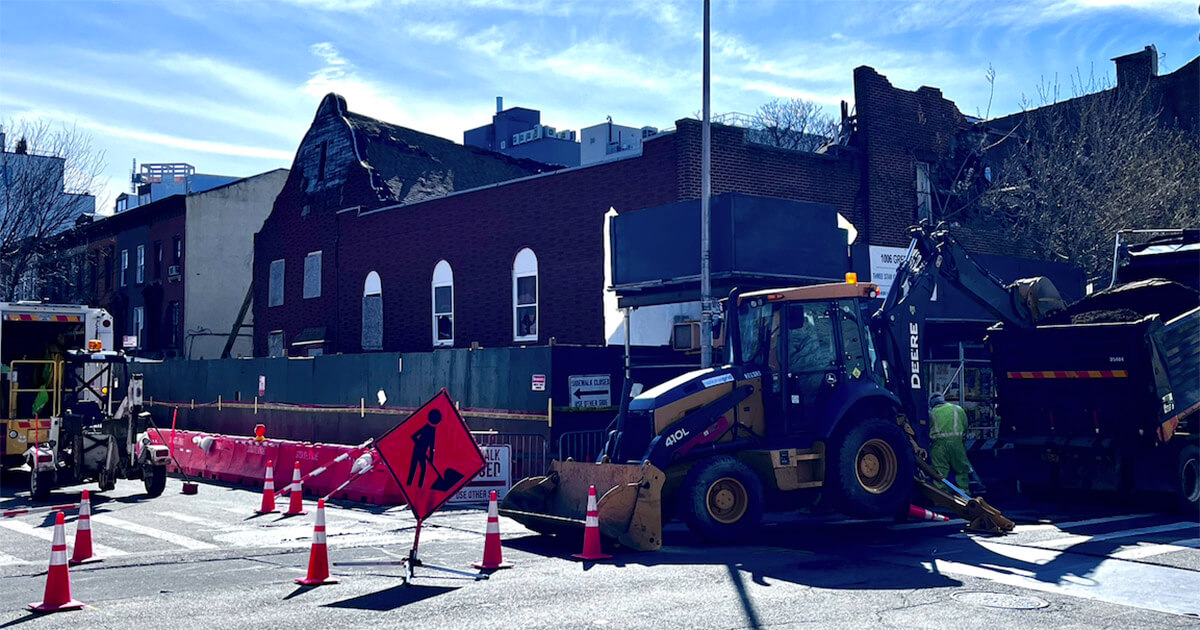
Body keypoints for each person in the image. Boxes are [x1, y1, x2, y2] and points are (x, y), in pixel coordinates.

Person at [928, 392, 972, 493]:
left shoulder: (931, 413)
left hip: (938, 445)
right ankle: (964, 493)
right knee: (961, 469)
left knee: (939, 472)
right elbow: (965, 426)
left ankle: (941, 495)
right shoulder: (958, 409)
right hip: (957, 443)